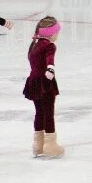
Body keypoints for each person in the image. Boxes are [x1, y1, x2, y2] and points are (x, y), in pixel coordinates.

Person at [24, 17, 63, 159]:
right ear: (51, 33)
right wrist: (50, 70)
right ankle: (50, 145)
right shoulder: (49, 46)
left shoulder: (34, 44)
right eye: (57, 32)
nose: (58, 35)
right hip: (44, 82)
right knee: (48, 113)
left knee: (39, 112)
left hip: (33, 81)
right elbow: (49, 59)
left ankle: (38, 144)